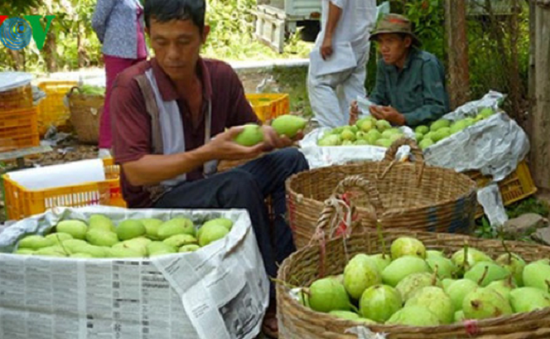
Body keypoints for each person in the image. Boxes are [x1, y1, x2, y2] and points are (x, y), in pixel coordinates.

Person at [109, 0, 309, 337]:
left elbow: (251, 135)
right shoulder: (132, 87)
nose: (172, 53)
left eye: (184, 41)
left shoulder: (220, 77)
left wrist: (274, 138)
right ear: (148, 36)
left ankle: (287, 273)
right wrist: (205, 153)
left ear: (204, 35)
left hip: (203, 185)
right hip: (158, 205)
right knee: (238, 185)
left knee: (291, 162)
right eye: (160, 42)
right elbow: (136, 173)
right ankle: (270, 300)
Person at [350, 13, 450, 128]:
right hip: (399, 131)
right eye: (380, 42)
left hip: (429, 130)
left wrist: (403, 118)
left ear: (407, 42)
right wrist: (362, 109)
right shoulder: (384, 65)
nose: (383, 48)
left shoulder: (426, 64)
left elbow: (437, 107)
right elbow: (378, 98)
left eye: (390, 41)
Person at [307, 0, 378, 128]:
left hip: (342, 38)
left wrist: (328, 36)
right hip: (361, 37)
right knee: (352, 89)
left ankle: (334, 131)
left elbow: (337, 2)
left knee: (318, 82)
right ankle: (360, 130)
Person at [92, 0, 149, 158]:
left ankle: (135, 142)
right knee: (114, 95)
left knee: (139, 96)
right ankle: (105, 145)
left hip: (139, 51)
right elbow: (97, 21)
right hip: (118, 51)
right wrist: (111, 38)